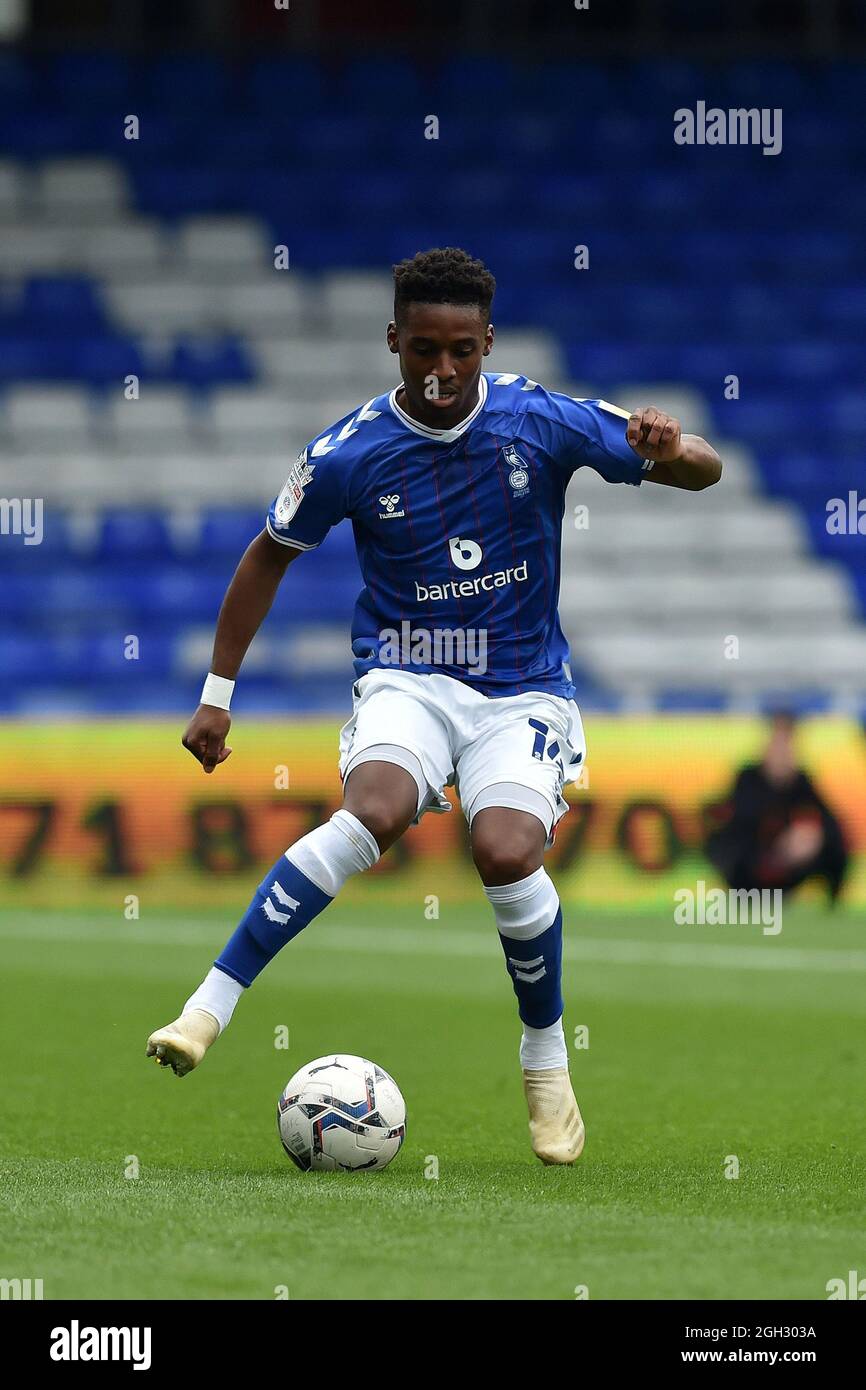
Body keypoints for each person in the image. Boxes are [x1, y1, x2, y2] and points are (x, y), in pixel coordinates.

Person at [146, 247, 723, 1164]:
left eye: (461, 350)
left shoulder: (541, 418)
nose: (443, 371)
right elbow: (267, 555)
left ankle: (544, 1059)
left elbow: (705, 468)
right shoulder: (349, 452)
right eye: (423, 350)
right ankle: (204, 1012)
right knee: (370, 810)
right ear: (393, 342)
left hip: (524, 687)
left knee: (503, 850)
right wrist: (218, 694)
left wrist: (668, 444)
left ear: (487, 341)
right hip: (406, 674)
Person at [705, 711, 848, 903]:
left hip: (789, 869)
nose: (782, 751)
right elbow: (741, 823)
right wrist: (781, 844)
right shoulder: (748, 778)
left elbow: (831, 824)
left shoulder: (801, 782)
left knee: (834, 849)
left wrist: (811, 837)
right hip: (753, 864)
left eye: (787, 744)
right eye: (778, 743)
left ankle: (833, 907)